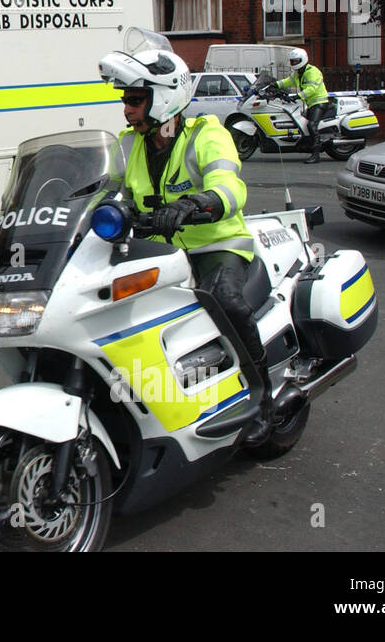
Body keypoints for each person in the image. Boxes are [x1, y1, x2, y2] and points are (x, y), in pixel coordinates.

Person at [99, 46, 284, 446]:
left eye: (134, 99)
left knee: (225, 300)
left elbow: (231, 187)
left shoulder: (207, 133)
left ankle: (261, 397)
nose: (127, 110)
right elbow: (109, 193)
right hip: (159, 252)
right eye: (125, 100)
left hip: (216, 245)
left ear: (164, 97)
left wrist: (195, 203)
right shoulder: (128, 144)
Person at [278, 47, 329, 163]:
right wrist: (274, 84)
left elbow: (311, 89)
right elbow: (287, 81)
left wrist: (297, 96)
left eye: (296, 61)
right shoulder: (299, 73)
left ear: (303, 59)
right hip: (310, 104)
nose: (294, 63)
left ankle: (316, 154)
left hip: (319, 102)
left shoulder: (312, 71)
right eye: (292, 61)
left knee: (311, 125)